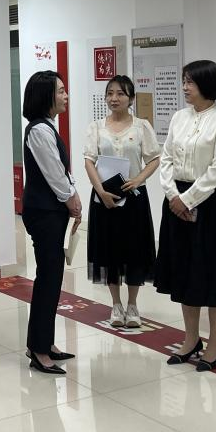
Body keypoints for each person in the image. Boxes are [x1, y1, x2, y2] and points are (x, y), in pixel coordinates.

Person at [154, 59, 216, 372]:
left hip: (208, 204)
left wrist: (188, 199)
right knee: (185, 271)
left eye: (190, 82)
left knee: (213, 274)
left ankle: (215, 343)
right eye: (184, 81)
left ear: (207, 85)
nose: (185, 87)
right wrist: (173, 195)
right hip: (176, 200)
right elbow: (166, 159)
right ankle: (190, 338)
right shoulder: (179, 117)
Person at [83, 75, 160, 328]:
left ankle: (133, 305)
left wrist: (138, 179)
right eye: (110, 93)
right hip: (104, 199)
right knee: (109, 250)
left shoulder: (141, 127)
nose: (114, 98)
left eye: (120, 94)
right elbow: (89, 161)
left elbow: (154, 159)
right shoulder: (96, 127)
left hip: (134, 198)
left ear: (131, 98)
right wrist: (100, 191)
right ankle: (116, 305)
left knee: (135, 250)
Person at [20, 70, 82, 375]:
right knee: (48, 278)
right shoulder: (39, 131)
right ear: (45, 96)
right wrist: (72, 199)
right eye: (60, 91)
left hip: (49, 211)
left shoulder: (46, 127)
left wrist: (72, 193)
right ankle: (39, 349)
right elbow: (54, 174)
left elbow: (60, 170)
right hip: (44, 213)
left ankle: (45, 342)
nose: (65, 96)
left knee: (52, 278)